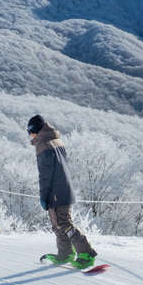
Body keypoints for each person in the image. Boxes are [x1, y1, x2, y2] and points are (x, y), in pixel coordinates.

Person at [27, 114, 98, 269]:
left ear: (34, 130)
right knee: (58, 224)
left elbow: (45, 174)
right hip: (63, 187)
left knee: (63, 223)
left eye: (29, 131)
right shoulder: (55, 140)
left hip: (55, 190)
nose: (29, 135)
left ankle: (86, 254)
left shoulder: (43, 144)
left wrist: (44, 195)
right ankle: (65, 253)